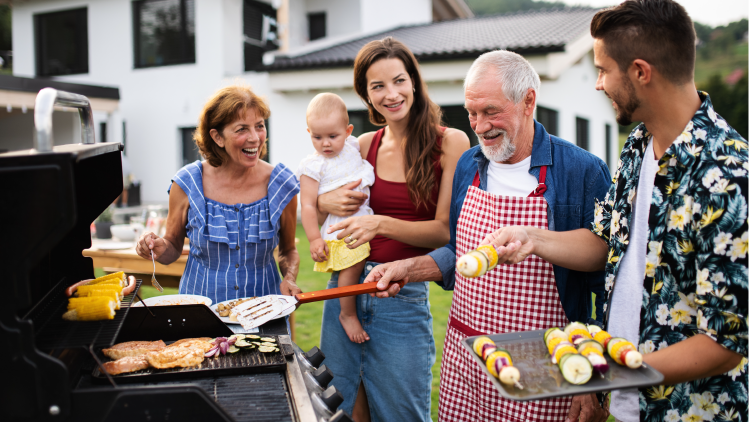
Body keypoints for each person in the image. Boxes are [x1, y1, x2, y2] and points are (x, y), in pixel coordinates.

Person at [475, 2, 748, 422]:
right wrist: (533, 238)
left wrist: (609, 370)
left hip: (687, 410)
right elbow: (606, 244)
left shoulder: (728, 175)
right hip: (625, 404)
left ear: (640, 71)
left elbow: (726, 344)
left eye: (603, 70)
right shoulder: (638, 146)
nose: (598, 84)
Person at [363, 50, 612, 421]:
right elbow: (458, 250)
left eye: (491, 111)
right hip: (469, 359)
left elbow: (605, 276)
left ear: (528, 100)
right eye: (471, 113)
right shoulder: (469, 164)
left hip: (545, 365)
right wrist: (409, 268)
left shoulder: (581, 170)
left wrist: (595, 380)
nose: (479, 127)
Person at [315, 37, 470, 421]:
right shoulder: (362, 144)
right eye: (378, 86)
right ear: (366, 95)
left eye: (399, 81)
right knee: (341, 411)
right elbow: (316, 192)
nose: (391, 94)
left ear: (414, 81)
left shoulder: (451, 142)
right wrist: (323, 202)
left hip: (400, 298)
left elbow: (444, 233)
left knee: (404, 413)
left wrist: (380, 223)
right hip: (345, 291)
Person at [135, 85, 302, 303]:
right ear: (217, 137)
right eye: (242, 129)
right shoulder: (187, 183)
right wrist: (156, 248)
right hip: (200, 314)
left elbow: (288, 250)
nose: (255, 138)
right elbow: (173, 248)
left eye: (259, 126)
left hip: (264, 312)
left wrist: (289, 277)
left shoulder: (282, 184)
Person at [297, 93, 375, 344]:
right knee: (351, 266)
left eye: (333, 136)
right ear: (309, 132)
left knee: (358, 265)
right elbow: (307, 205)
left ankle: (350, 310)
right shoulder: (313, 166)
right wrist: (313, 239)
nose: (325, 144)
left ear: (348, 130)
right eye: (317, 137)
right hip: (340, 227)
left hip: (364, 218)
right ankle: (347, 313)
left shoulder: (353, 146)